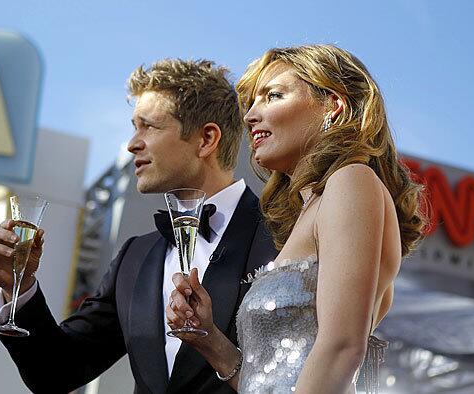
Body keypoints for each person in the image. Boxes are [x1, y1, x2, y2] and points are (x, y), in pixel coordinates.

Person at [0, 58, 278, 394]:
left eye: (148, 126)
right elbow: (56, 371)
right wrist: (19, 288)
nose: (132, 143)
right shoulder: (135, 257)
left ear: (206, 139)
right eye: (134, 126)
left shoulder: (285, 234)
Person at [166, 45, 426, 393]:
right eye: (251, 104)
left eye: (273, 96)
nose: (251, 116)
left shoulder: (351, 180)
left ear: (333, 105)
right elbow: (271, 380)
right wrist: (210, 339)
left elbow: (342, 347)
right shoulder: (317, 206)